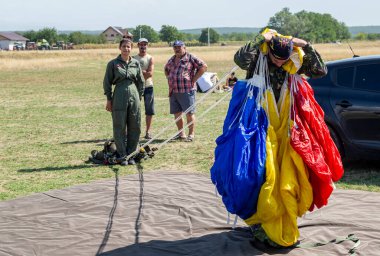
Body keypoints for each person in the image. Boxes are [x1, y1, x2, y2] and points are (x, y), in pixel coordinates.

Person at [234, 29, 327, 101]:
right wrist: (260, 38)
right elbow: (240, 60)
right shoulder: (259, 58)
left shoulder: (294, 61)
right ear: (269, 51)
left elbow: (320, 71)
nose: (279, 64)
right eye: (275, 60)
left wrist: (307, 46)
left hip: (285, 114)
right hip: (259, 111)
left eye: (284, 61)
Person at [103, 38, 144, 165]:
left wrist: (139, 96)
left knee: (135, 125)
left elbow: (140, 81)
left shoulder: (136, 63)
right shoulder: (113, 64)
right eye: (124, 46)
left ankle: (131, 154)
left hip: (134, 94)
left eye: (128, 47)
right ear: (119, 48)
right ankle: (122, 155)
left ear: (131, 48)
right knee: (119, 126)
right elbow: (107, 83)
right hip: (119, 94)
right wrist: (109, 100)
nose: (126, 49)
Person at [164, 40, 207, 142]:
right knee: (177, 113)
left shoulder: (190, 58)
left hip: (187, 90)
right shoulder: (172, 59)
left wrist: (194, 79)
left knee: (189, 113)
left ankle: (191, 134)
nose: (177, 49)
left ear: (184, 48)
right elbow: (166, 69)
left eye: (179, 47)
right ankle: (181, 134)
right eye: (175, 47)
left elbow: (204, 67)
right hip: (174, 90)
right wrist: (169, 78)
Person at [133, 38, 155, 140]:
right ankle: (133, 131)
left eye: (145, 44)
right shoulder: (133, 58)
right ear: (138, 45)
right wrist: (144, 72)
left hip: (148, 86)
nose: (143, 46)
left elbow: (150, 74)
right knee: (134, 110)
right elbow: (133, 75)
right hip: (136, 87)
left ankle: (148, 131)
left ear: (147, 45)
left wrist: (140, 72)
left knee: (149, 110)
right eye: (141, 44)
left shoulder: (150, 58)